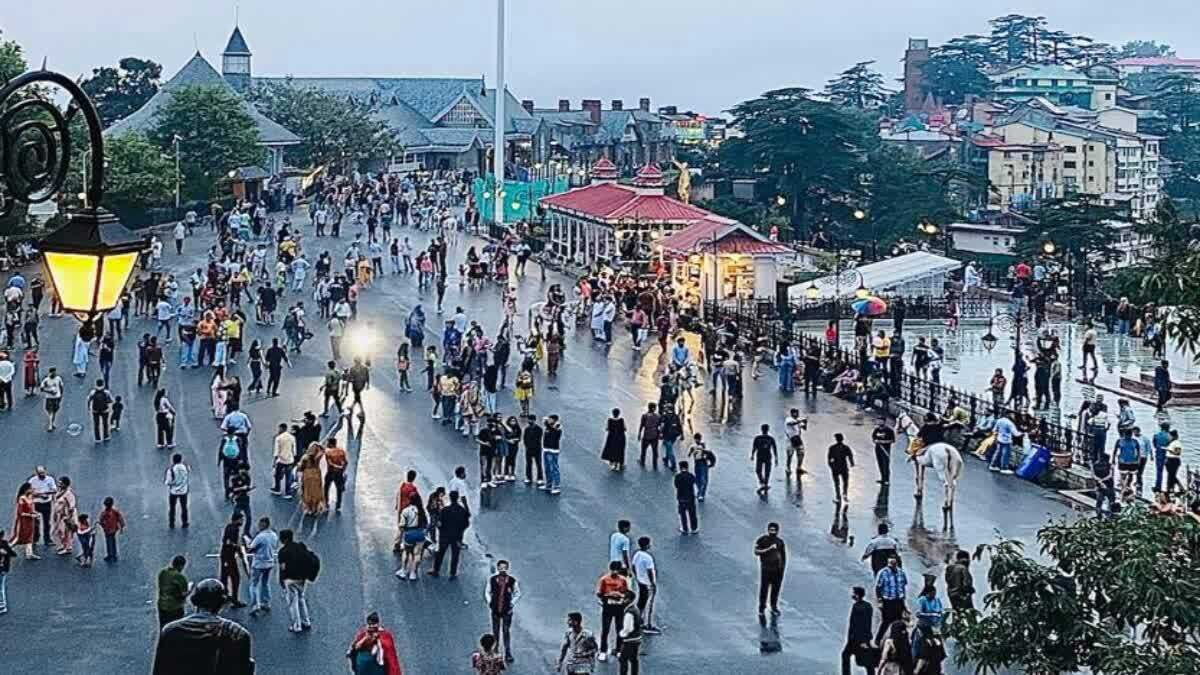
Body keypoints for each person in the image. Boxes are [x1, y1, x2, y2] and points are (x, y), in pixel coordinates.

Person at [151, 578, 254, 675]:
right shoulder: (237, 633)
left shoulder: (170, 630)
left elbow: (160, 670)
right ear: (222, 604)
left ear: (194, 601)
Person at [277, 529, 316, 633]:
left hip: (290, 579)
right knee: (301, 598)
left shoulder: (282, 552)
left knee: (292, 603)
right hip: (302, 578)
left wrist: (281, 581)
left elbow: (282, 568)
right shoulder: (300, 546)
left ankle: (296, 625)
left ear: (284, 539)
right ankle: (306, 621)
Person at [485, 560, 521, 663]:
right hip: (495, 610)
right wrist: (490, 602)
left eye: (505, 568)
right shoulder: (492, 580)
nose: (503, 570)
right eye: (501, 568)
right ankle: (495, 651)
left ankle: (507, 652)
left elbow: (517, 593)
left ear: (508, 568)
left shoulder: (512, 581)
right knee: (495, 632)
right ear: (497, 568)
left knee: (506, 631)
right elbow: (487, 592)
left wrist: (511, 603)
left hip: (507, 611)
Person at [596, 561, 630, 662]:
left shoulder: (623, 580)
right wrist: (608, 597)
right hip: (608, 607)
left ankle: (619, 649)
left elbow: (627, 593)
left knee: (619, 629)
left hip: (619, 607)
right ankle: (603, 651)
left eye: (616, 570)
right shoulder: (604, 580)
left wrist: (623, 600)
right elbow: (599, 593)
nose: (614, 572)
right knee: (605, 629)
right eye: (613, 570)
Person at [430, 490, 470, 578]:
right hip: (457, 536)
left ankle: (436, 570)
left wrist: (441, 530)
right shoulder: (462, 511)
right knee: (455, 554)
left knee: (440, 553)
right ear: (457, 498)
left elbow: (439, 523)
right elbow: (466, 524)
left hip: (445, 535)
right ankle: (453, 572)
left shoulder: (445, 510)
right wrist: (460, 531)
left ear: (450, 498)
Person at [246, 516, 279, 615]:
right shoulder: (274, 535)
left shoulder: (260, 536)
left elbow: (250, 549)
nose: (258, 526)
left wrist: (248, 543)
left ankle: (255, 605)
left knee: (254, 584)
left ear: (264, 524)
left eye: (260, 524)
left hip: (259, 563)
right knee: (265, 583)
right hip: (269, 563)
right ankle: (266, 602)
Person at [754, 522, 786, 616]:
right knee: (764, 589)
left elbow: (783, 557)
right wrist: (769, 549)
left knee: (775, 590)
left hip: (777, 571)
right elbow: (756, 551)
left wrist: (782, 569)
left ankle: (774, 607)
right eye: (771, 530)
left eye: (774, 530)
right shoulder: (762, 540)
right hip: (766, 569)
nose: (772, 532)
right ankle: (761, 608)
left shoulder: (780, 542)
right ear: (768, 530)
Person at [874, 555, 908, 646]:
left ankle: (897, 641)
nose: (892, 565)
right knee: (886, 621)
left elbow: (903, 587)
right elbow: (878, 587)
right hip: (887, 601)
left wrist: (904, 602)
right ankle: (878, 639)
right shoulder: (883, 573)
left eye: (894, 563)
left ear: (896, 563)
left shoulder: (901, 572)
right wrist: (880, 601)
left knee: (898, 622)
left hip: (899, 601)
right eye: (890, 563)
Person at [841, 586, 875, 675]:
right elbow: (868, 624)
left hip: (857, 639)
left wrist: (862, 640)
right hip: (862, 638)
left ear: (857, 595)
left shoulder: (857, 607)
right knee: (866, 659)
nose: (852, 595)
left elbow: (859, 625)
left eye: (853, 593)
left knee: (846, 655)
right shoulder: (868, 606)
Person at [157, 555, 190, 627]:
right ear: (181, 566)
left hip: (162, 605)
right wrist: (190, 590)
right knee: (176, 628)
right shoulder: (180, 577)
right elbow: (182, 594)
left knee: (163, 627)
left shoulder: (163, 573)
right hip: (175, 608)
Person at [616, 590, 643, 675]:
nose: (622, 600)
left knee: (623, 659)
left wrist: (621, 634)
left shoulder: (629, 612)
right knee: (634, 659)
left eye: (624, 598)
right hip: (637, 638)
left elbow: (628, 629)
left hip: (629, 640)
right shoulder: (635, 609)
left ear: (629, 600)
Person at [297, 442, 327, 517]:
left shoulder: (305, 457)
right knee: (316, 492)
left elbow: (300, 467)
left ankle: (309, 509)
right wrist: (319, 445)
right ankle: (315, 509)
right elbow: (324, 450)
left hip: (307, 475)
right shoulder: (318, 456)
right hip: (316, 474)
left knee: (307, 492)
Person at [751, 424, 778, 496]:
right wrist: (776, 458)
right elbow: (774, 449)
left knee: (758, 470)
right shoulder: (771, 438)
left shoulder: (757, 438)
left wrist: (752, 455)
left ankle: (763, 483)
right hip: (768, 456)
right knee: (767, 471)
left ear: (761, 429)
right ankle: (765, 483)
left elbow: (754, 447)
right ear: (768, 429)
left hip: (760, 456)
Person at [828, 433, 855, 504]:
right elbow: (850, 455)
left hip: (835, 467)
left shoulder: (832, 448)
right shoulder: (846, 447)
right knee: (845, 482)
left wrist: (831, 466)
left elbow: (829, 458)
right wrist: (852, 463)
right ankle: (845, 494)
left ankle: (838, 496)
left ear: (836, 439)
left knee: (836, 483)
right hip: (844, 467)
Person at [673, 461, 699, 534]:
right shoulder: (691, 475)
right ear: (687, 467)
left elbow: (676, 485)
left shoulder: (678, 476)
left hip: (681, 497)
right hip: (690, 497)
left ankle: (685, 529)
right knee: (692, 513)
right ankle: (694, 528)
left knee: (683, 514)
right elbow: (694, 483)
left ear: (680, 467)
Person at [98, 496, 126, 562]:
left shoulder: (104, 513)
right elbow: (120, 519)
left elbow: (101, 521)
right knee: (112, 541)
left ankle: (110, 554)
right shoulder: (114, 512)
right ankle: (113, 554)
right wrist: (121, 527)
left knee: (109, 542)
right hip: (112, 529)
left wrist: (103, 526)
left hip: (108, 530)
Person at [86, 378, 113, 443]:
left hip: (95, 410)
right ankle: (106, 436)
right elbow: (110, 400)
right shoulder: (106, 392)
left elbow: (89, 399)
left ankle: (97, 438)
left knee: (96, 424)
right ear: (103, 384)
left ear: (96, 384)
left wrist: (89, 407)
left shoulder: (93, 392)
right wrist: (109, 409)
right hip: (104, 410)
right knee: (105, 423)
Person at [39, 367, 64, 431]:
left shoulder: (58, 379)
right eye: (52, 372)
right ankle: (50, 425)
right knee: (51, 411)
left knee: (54, 411)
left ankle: (51, 423)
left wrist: (61, 395)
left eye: (54, 372)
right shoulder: (46, 380)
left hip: (56, 397)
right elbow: (41, 389)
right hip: (49, 397)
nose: (54, 373)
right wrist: (49, 391)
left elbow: (61, 387)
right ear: (50, 372)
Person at [872, 420, 896, 486]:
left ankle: (887, 480)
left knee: (886, 464)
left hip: (885, 449)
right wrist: (875, 441)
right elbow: (873, 438)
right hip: (878, 449)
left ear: (884, 422)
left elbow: (892, 440)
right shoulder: (876, 430)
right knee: (880, 464)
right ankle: (882, 478)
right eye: (878, 421)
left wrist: (883, 442)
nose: (879, 422)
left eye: (881, 421)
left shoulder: (889, 430)